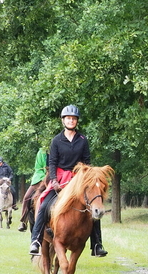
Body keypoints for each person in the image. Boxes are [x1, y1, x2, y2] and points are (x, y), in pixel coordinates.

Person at [28, 105, 108, 257]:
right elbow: (52, 162)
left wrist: (87, 178)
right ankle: (36, 240)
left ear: (76, 121)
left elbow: (87, 162)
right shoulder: (56, 140)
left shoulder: (83, 140)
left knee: (94, 207)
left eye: (73, 118)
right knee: (44, 204)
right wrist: (54, 181)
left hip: (77, 179)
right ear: (63, 120)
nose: (71, 121)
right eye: (68, 118)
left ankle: (97, 244)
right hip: (59, 178)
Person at [18, 148, 48, 232]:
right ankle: (23, 221)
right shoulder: (41, 152)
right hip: (40, 179)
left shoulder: (59, 149)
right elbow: (38, 168)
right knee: (27, 197)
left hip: (54, 179)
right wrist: (44, 178)